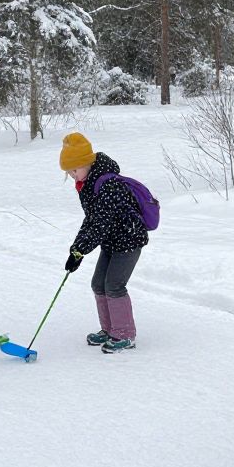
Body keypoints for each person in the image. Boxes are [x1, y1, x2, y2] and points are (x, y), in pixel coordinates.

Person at [59, 133, 148, 353]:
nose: (73, 175)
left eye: (75, 170)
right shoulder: (87, 184)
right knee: (98, 284)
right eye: (69, 172)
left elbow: (101, 224)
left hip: (128, 240)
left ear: (87, 162)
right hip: (111, 241)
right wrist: (76, 249)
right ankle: (110, 330)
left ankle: (125, 335)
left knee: (114, 286)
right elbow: (91, 220)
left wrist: (81, 251)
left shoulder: (108, 185)